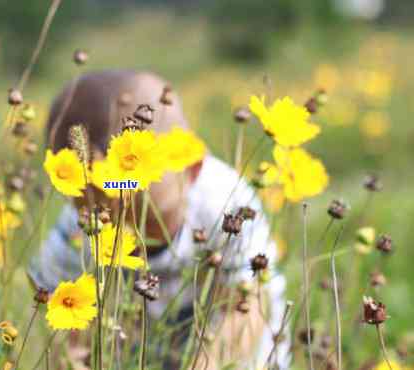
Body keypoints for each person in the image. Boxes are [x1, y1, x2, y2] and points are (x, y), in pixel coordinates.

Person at [29, 70, 289, 369]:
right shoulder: (75, 233)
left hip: (234, 354)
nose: (111, 210)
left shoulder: (225, 204)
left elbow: (247, 305)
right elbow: (66, 325)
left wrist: (208, 364)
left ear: (189, 168)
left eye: (134, 192)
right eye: (88, 199)